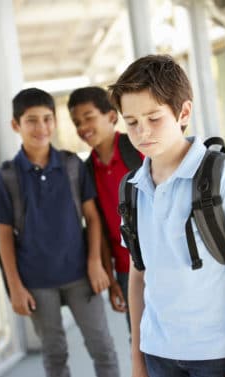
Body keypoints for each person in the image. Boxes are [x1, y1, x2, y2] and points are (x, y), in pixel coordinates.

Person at [108, 54, 225, 377]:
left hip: (220, 354)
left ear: (183, 113)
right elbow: (139, 277)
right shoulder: (132, 187)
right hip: (159, 355)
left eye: (154, 118)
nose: (142, 132)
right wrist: (137, 360)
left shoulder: (222, 177)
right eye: (132, 122)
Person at [0, 87, 126, 377]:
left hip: (81, 275)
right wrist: (15, 287)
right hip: (36, 282)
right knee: (54, 353)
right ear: (15, 125)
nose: (41, 127)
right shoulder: (7, 177)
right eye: (32, 121)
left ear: (54, 122)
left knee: (102, 346)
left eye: (47, 119)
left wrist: (95, 262)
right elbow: (4, 237)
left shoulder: (72, 166)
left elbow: (92, 218)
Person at [68, 86, 143, 333]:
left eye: (88, 117)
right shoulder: (87, 170)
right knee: (140, 342)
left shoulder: (139, 151)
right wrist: (111, 280)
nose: (82, 127)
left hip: (163, 263)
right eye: (77, 122)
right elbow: (97, 226)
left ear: (111, 116)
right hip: (126, 270)